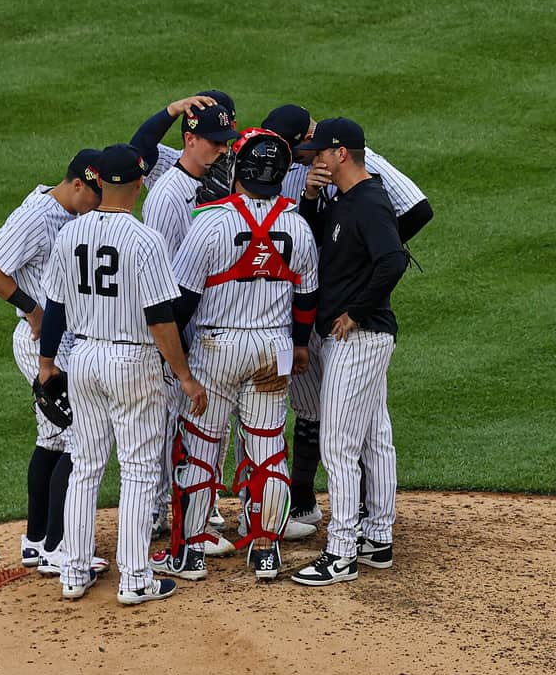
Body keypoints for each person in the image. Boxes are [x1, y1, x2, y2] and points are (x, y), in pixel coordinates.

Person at [38, 143, 207, 604]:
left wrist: (46, 363)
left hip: (84, 359)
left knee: (85, 466)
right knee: (137, 469)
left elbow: (54, 306)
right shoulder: (144, 239)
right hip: (133, 362)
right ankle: (135, 578)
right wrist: (185, 376)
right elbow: (160, 317)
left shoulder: (70, 234)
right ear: (138, 184)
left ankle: (73, 572)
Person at [151, 128, 319, 581]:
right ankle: (266, 551)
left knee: (201, 450)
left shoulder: (209, 220)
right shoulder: (297, 224)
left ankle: (190, 555)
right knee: (268, 449)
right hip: (274, 349)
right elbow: (306, 299)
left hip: (216, 349)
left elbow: (182, 300)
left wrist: (179, 363)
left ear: (240, 170)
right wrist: (300, 346)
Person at [261, 104, 433, 525]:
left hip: (347, 310)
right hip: (307, 298)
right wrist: (313, 198)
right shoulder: (290, 171)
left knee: (357, 428)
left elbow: (417, 210)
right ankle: (317, 503)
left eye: (299, 149)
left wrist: (364, 252)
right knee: (313, 405)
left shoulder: (360, 170)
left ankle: (357, 524)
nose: (296, 157)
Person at [0, 148, 108, 574]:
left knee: (52, 439)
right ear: (77, 184)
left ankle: (35, 540)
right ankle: (57, 546)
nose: (99, 206)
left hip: (61, 344)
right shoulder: (37, 216)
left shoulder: (73, 214)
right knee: (79, 439)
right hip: (41, 346)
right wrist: (33, 310)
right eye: (95, 196)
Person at [286, 119, 409, 587]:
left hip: (358, 338)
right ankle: (377, 538)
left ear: (341, 154)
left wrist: (357, 310)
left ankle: (341, 553)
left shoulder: (370, 201)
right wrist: (312, 199)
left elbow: (393, 259)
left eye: (320, 152)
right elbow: (324, 248)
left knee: (338, 445)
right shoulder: (343, 200)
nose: (313, 159)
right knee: (376, 437)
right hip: (360, 339)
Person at [140, 101, 242, 553]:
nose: (222, 151)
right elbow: (159, 275)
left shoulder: (199, 184)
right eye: (215, 144)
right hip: (173, 327)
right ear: (189, 140)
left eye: (225, 143)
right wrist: (174, 344)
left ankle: (183, 509)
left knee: (189, 422)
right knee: (168, 423)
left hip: (196, 324)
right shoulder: (168, 195)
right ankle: (161, 514)